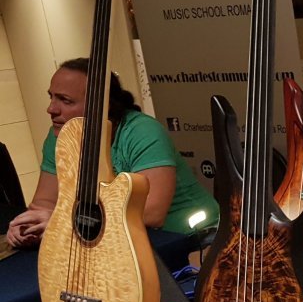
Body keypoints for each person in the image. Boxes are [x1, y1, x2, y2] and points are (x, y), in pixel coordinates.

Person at [6, 58, 218, 248]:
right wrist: (27, 226)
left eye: (65, 100)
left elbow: (151, 213)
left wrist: (64, 222)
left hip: (193, 239)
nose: (51, 109)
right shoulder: (58, 136)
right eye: (51, 97)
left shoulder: (142, 131)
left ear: (100, 105)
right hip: (119, 240)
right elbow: (44, 203)